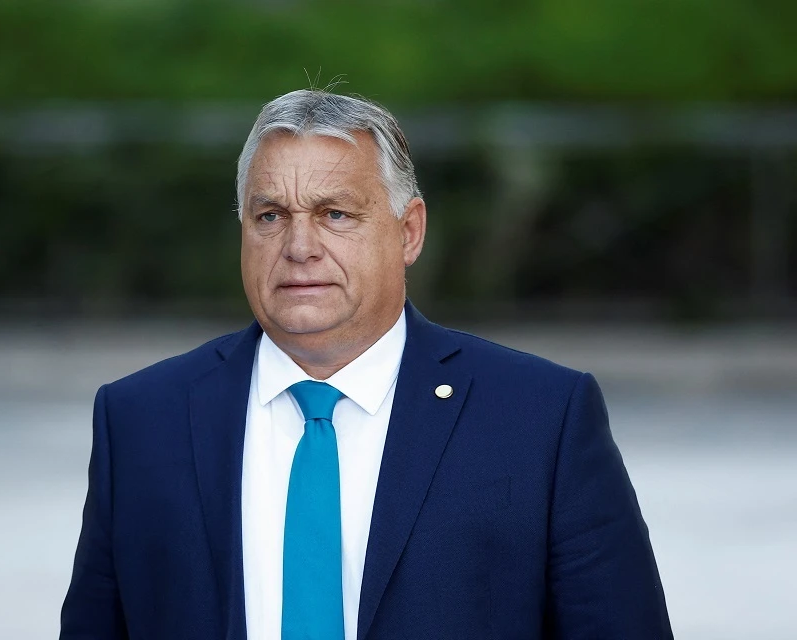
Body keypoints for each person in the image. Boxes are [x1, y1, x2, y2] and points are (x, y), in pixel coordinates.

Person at [60, 89, 672, 640]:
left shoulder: (541, 419)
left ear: (409, 232)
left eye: (335, 214)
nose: (299, 247)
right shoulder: (141, 419)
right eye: (271, 216)